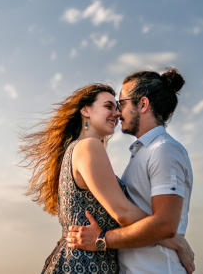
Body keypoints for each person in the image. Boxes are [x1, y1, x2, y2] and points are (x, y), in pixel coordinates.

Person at [19, 83, 194, 274]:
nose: (117, 113)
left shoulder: (79, 149)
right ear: (85, 110)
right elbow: (123, 212)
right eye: (108, 106)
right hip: (85, 264)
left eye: (118, 107)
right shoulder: (89, 147)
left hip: (87, 260)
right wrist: (174, 239)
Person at [66, 68, 194, 274]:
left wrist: (102, 240)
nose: (118, 112)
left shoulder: (164, 150)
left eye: (121, 104)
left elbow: (166, 224)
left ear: (143, 104)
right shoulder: (141, 153)